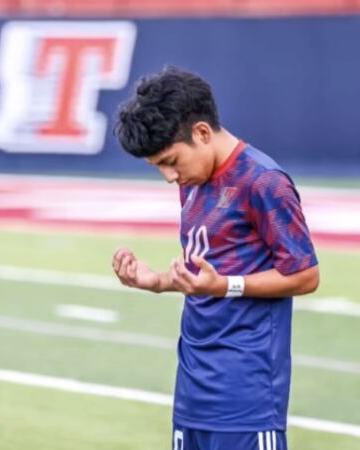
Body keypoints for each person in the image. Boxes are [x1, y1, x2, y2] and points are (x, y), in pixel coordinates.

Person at [112, 66, 319, 450]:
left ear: (202, 133)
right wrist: (157, 280)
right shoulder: (193, 181)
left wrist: (227, 286)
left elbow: (305, 275)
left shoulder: (263, 181)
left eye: (171, 161)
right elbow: (206, 272)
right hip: (191, 389)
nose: (168, 177)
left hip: (247, 396)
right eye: (157, 167)